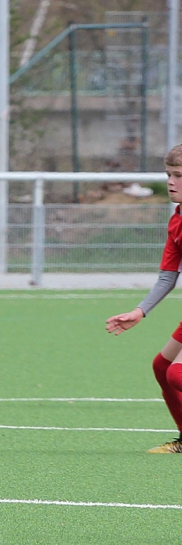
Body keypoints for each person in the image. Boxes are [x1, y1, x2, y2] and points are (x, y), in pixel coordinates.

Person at [106, 144, 182, 453]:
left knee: (177, 373)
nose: (171, 182)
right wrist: (140, 311)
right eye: (169, 174)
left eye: (179, 175)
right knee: (162, 367)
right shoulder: (177, 220)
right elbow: (168, 276)